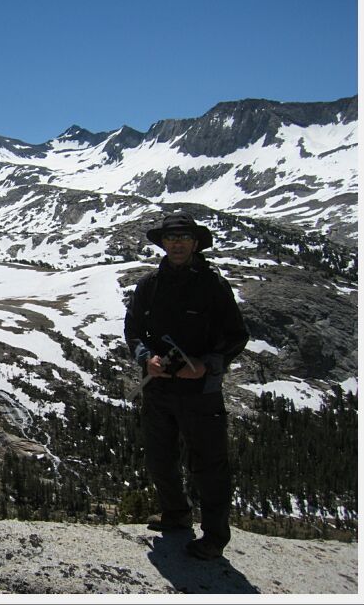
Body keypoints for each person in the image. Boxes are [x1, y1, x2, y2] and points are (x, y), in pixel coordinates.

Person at [124, 212, 249, 560]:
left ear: (195, 243)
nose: (176, 243)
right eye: (170, 237)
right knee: (159, 458)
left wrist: (206, 364)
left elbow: (237, 336)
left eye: (183, 237)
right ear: (163, 243)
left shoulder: (213, 286)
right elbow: (132, 330)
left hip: (200, 392)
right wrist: (146, 358)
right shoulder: (149, 285)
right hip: (158, 387)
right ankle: (175, 514)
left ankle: (214, 538)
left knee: (209, 464)